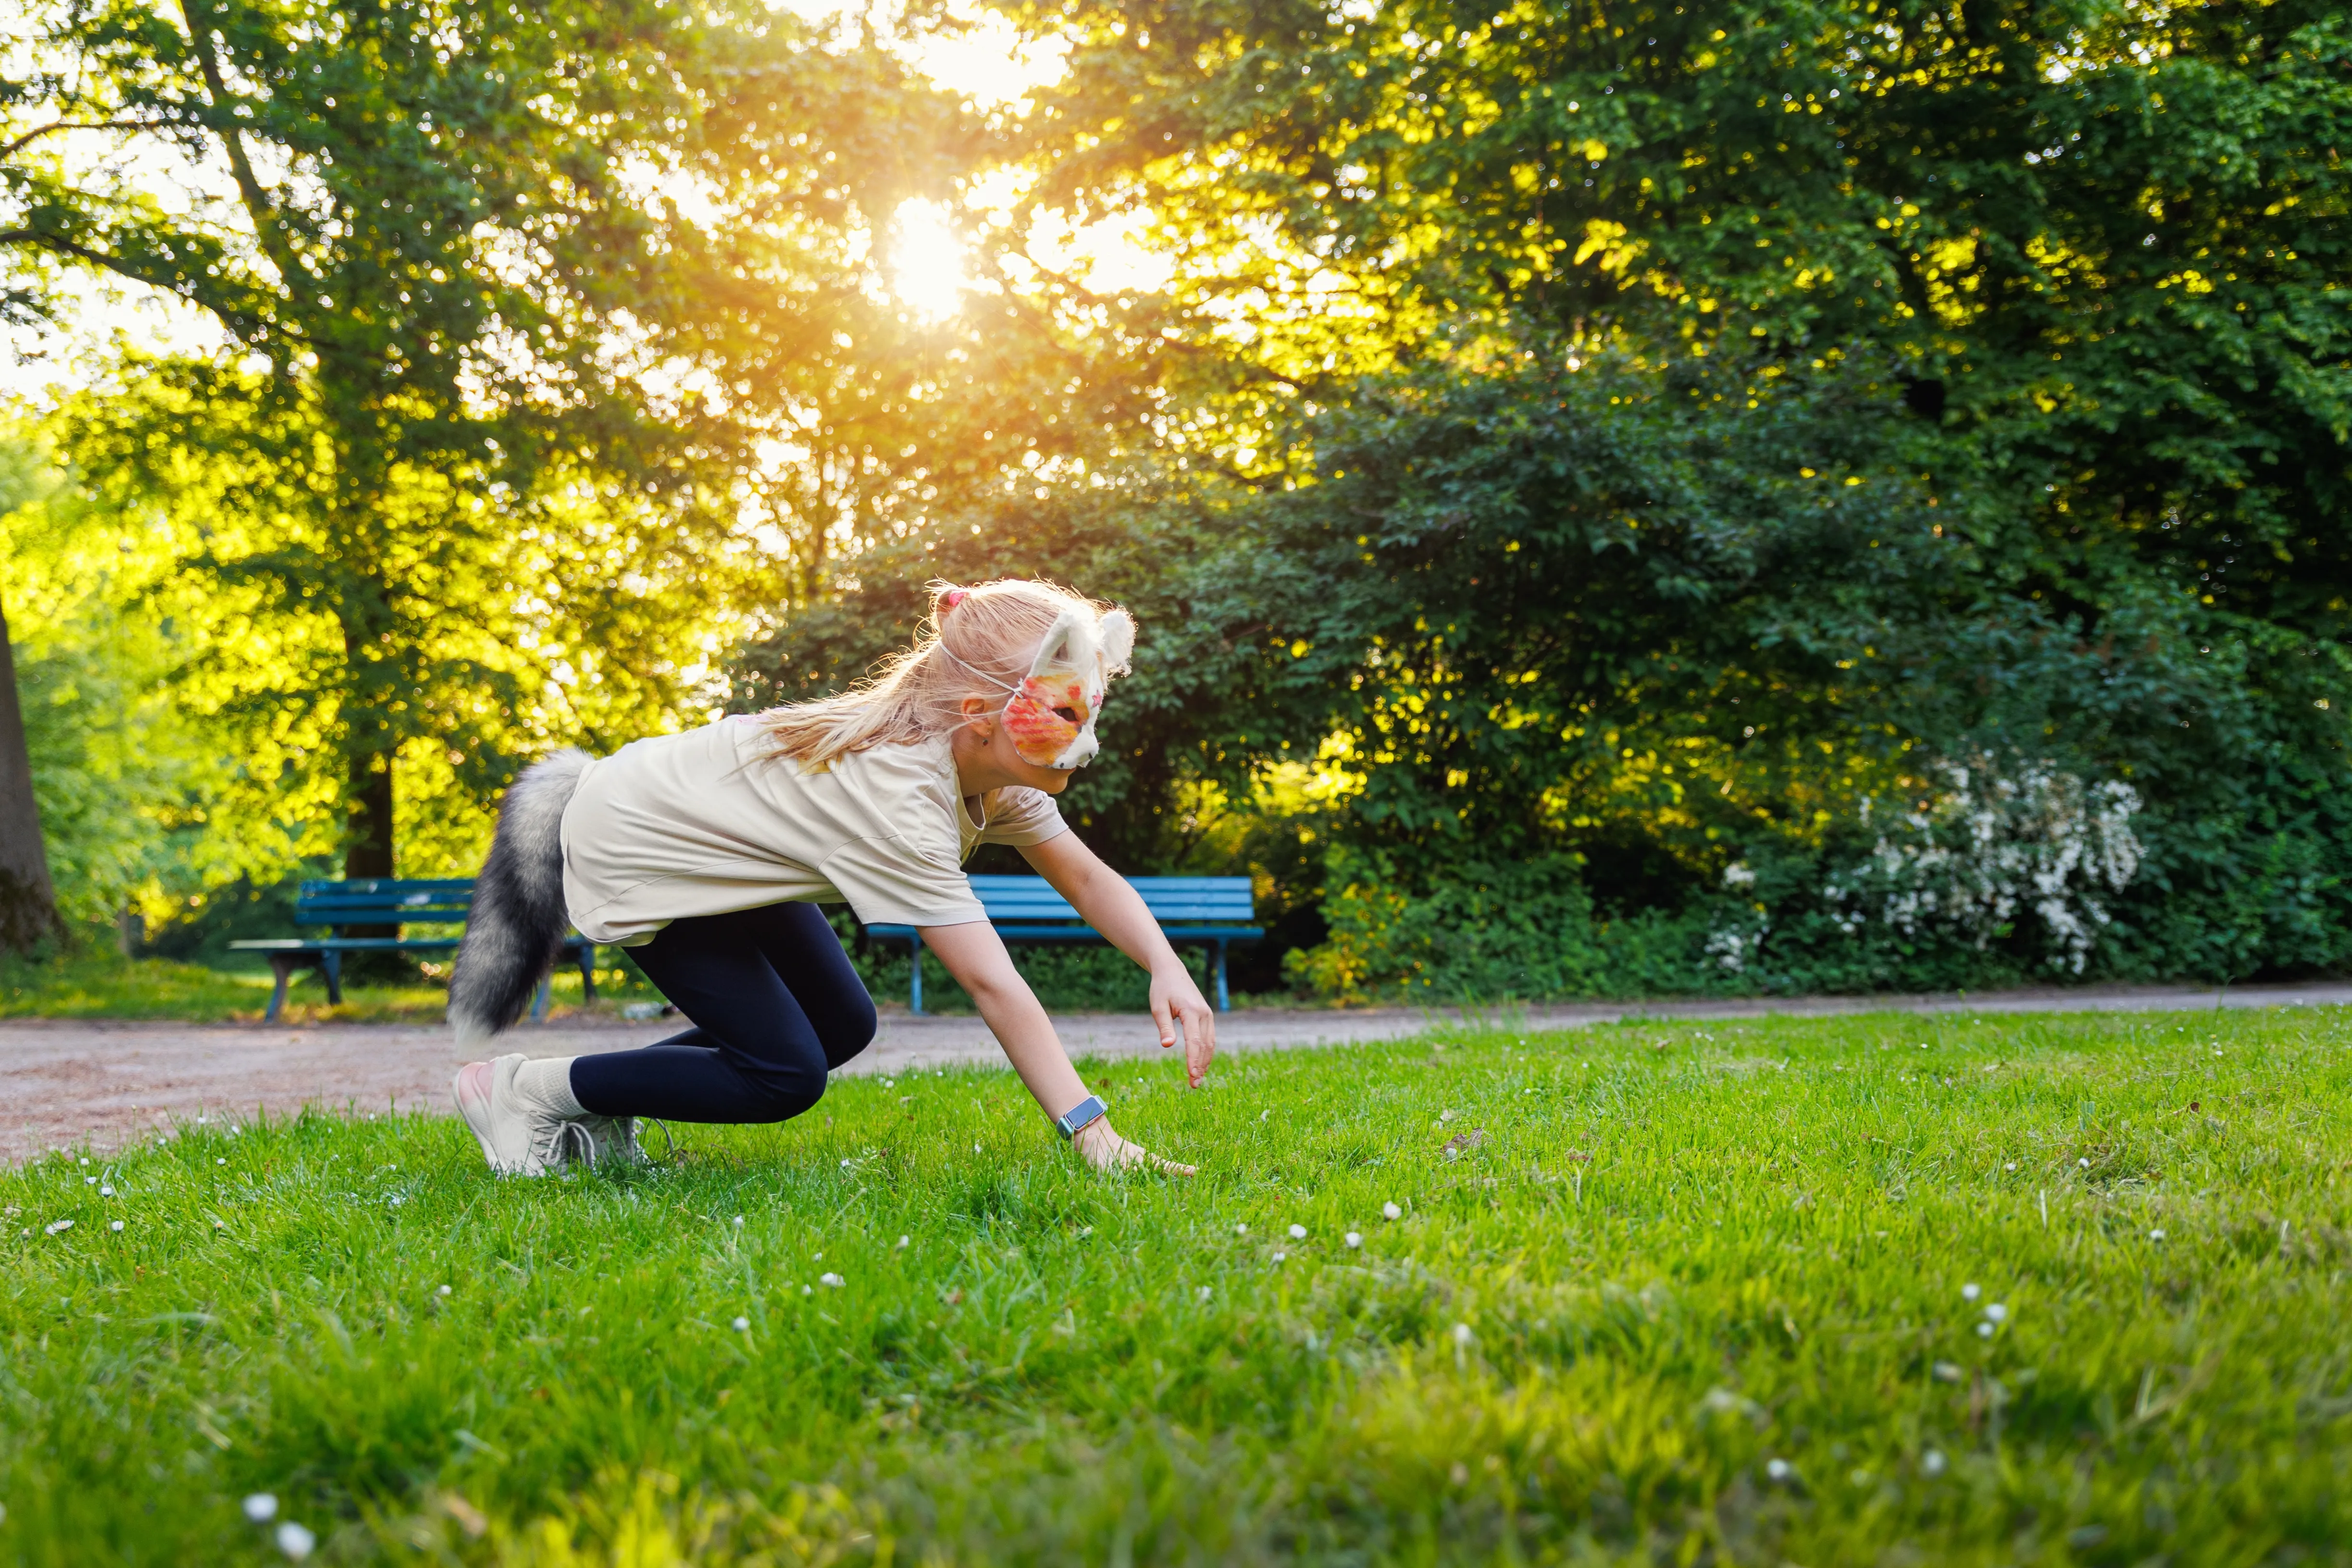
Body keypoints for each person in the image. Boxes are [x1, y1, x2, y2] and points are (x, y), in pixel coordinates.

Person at [443, 579, 1215, 1177]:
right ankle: (523, 1092)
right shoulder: (903, 794)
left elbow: (1084, 876)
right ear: (980, 711)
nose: (1089, 745)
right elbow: (992, 985)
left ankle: (597, 1103)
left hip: (727, 846)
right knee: (783, 1076)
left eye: (1092, 712)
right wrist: (1093, 1133)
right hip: (647, 842)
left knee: (841, 1028)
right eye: (1065, 715)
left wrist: (1165, 963)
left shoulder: (993, 772)